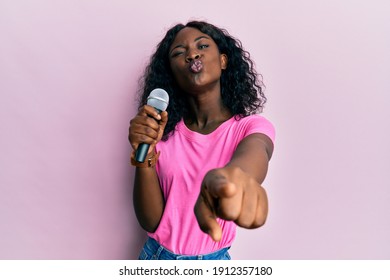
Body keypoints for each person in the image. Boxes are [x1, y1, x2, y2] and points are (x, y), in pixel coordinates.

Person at [128, 21, 275, 260]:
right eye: (179, 52)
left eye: (203, 45)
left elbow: (256, 152)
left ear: (224, 61)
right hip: (155, 258)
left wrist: (233, 178)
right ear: (172, 74)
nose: (192, 54)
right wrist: (142, 154)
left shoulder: (249, 127)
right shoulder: (161, 133)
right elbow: (152, 222)